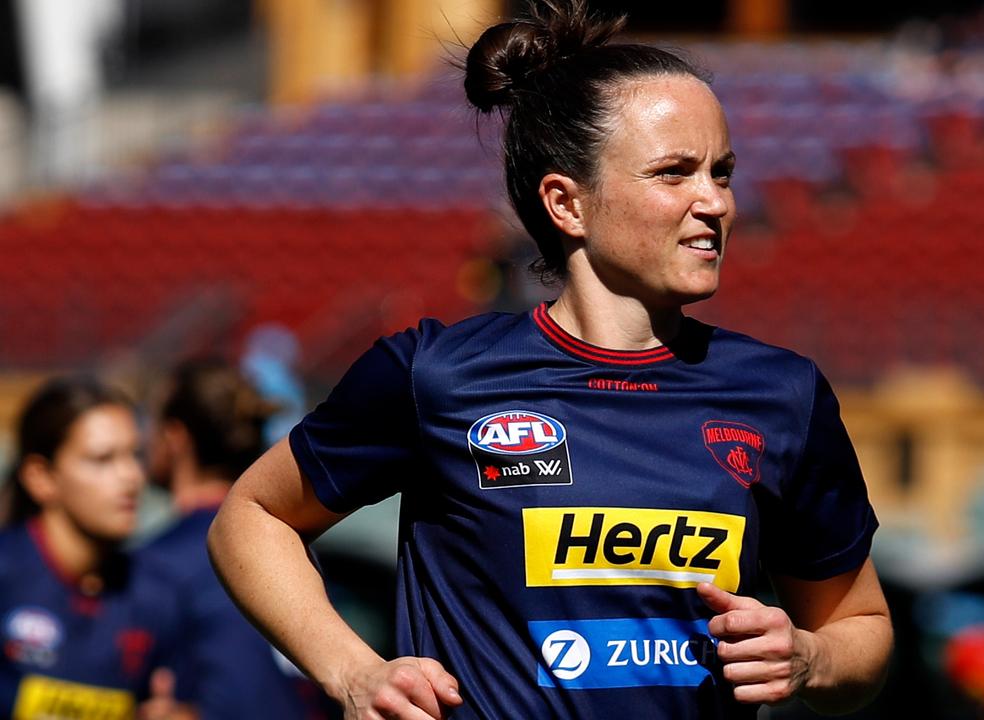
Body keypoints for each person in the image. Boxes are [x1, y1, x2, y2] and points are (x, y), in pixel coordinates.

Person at [208, 1, 893, 718]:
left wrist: (810, 657)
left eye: (721, 173)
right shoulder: (437, 376)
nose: (715, 201)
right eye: (674, 173)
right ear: (567, 204)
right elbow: (254, 518)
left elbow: (863, 628)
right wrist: (353, 672)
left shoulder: (782, 394)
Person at [140, 359, 333, 719]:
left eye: (151, 423)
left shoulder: (164, 560)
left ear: (175, 437)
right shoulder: (290, 541)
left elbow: (238, 694)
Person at [0, 376, 190, 720]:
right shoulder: (7, 576)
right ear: (40, 476)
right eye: (103, 459)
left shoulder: (156, 594)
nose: (132, 477)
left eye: (135, 455)